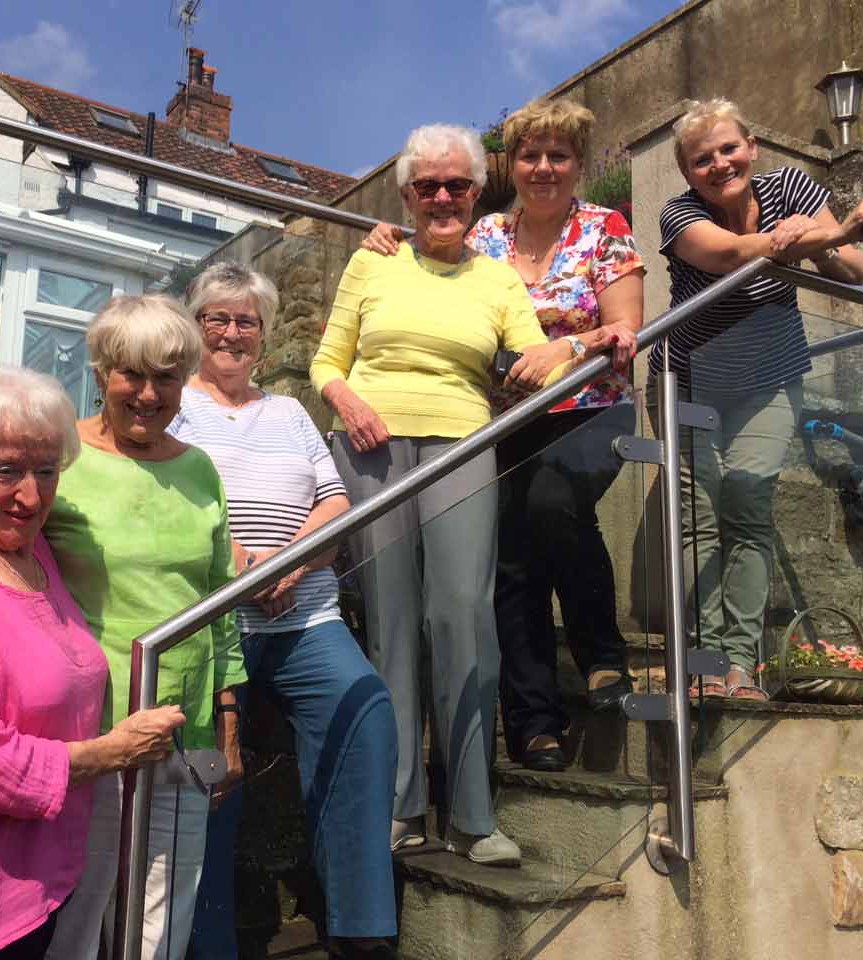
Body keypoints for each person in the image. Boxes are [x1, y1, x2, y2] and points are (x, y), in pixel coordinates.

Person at [0, 297, 246, 960]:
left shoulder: (199, 470)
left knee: (160, 922)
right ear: (101, 372)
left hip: (182, 725)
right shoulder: (57, 456)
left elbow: (218, 601)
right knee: (77, 917)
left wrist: (228, 720)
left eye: (168, 376)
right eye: (131, 373)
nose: (148, 393)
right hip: (92, 732)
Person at [311, 123, 610, 866]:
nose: (442, 197)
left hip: (465, 444)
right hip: (371, 446)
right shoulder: (371, 262)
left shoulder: (497, 276)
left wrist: (574, 342)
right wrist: (346, 403)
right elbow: (326, 360)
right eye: (426, 186)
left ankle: (473, 816)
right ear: (407, 195)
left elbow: (529, 349)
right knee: (391, 623)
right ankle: (401, 805)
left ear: (479, 193)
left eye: (457, 185)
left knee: (465, 621)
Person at [362, 98, 644, 771]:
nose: (544, 167)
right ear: (510, 166)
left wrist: (562, 351)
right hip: (503, 418)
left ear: (578, 165)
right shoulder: (486, 234)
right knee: (511, 557)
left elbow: (625, 329)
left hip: (590, 406)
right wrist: (388, 236)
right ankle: (533, 724)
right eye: (530, 155)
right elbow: (429, 262)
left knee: (552, 504)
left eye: (559, 156)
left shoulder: (604, 227)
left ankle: (602, 656)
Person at [172, 263, 398, 959]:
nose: (234, 333)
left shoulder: (290, 411)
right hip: (214, 619)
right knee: (209, 761)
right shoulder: (174, 404)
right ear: (194, 326)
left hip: (306, 615)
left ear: (264, 338)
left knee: (365, 710)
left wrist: (294, 562)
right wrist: (243, 565)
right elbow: (176, 497)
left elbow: (334, 500)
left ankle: (360, 926)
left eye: (248, 322)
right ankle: (204, 941)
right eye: (219, 318)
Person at [652, 97, 863, 698]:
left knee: (748, 501)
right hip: (688, 379)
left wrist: (828, 240)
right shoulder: (678, 213)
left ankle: (740, 665)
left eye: (729, 148)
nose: (719, 164)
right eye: (702, 158)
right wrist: (832, 232)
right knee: (700, 522)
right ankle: (707, 667)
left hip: (768, 378)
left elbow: (856, 273)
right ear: (687, 173)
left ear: (752, 149)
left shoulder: (790, 183)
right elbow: (728, 255)